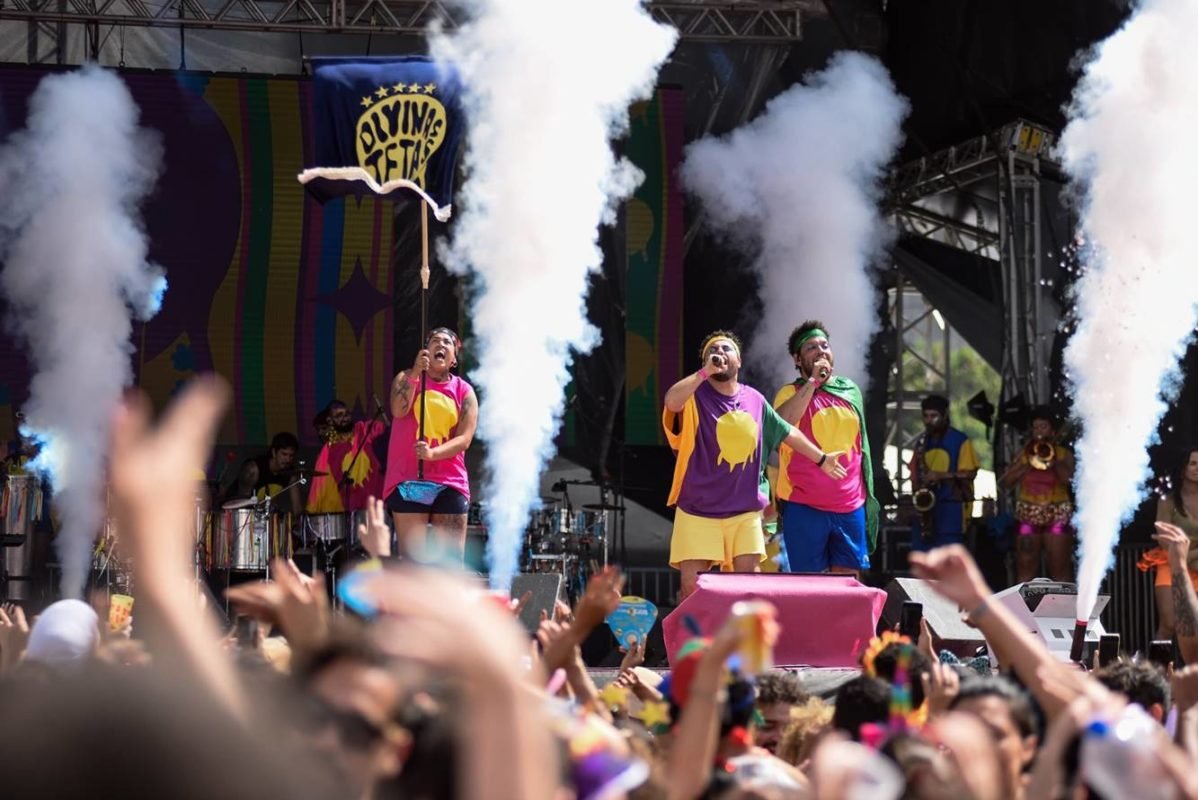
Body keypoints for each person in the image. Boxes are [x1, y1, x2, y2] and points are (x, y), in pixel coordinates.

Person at [663, 330, 847, 600]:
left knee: (750, 585)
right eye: (713, 351)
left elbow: (787, 431)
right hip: (697, 508)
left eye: (727, 349)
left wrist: (821, 458)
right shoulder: (695, 395)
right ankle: (698, 642)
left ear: (739, 360)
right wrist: (704, 372)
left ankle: (747, 641)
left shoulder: (754, 400)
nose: (720, 354)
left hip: (744, 510)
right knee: (693, 587)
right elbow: (671, 401)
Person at [772, 321, 880, 577]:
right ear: (797, 359)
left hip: (850, 504)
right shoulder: (790, 392)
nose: (820, 351)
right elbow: (780, 427)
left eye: (825, 345)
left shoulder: (849, 390)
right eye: (811, 347)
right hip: (805, 505)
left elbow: (860, 447)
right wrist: (812, 383)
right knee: (811, 586)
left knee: (848, 582)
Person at [383, 328, 477, 560]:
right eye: (435, 341)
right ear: (425, 350)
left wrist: (432, 454)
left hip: (449, 481)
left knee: (451, 563)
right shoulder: (406, 378)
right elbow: (398, 409)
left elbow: (464, 439)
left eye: (447, 342)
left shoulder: (464, 392)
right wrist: (416, 372)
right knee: (412, 561)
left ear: (454, 358)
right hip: (409, 478)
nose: (441, 344)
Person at [1000, 406, 1074, 582]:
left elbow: (1068, 480)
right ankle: (1024, 608)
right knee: (1025, 568)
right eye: (1036, 427)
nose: (1039, 431)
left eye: (1043, 427)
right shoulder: (1024, 453)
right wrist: (1028, 461)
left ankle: (1063, 609)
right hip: (1028, 514)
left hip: (1058, 513)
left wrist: (1053, 459)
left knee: (1059, 570)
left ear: (1053, 430)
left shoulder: (1064, 455)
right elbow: (1006, 483)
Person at [1138, 447, 1198, 639]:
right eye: (1193, 463)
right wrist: (1186, 558)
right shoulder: (1168, 500)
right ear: (1183, 468)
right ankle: (1155, 668)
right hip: (1171, 562)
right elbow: (1164, 540)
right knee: (1169, 624)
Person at [908, 394, 979, 550]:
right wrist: (917, 489)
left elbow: (970, 473)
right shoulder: (922, 443)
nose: (929, 420)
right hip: (927, 512)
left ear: (945, 415)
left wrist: (941, 475)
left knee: (950, 559)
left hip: (951, 508)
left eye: (934, 416)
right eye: (925, 416)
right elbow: (914, 473)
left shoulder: (960, 440)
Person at [305, 400, 387, 514]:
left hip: (375, 506)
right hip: (346, 510)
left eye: (347, 414)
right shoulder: (329, 449)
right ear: (330, 420)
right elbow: (321, 484)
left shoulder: (365, 430)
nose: (345, 418)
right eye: (339, 415)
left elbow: (385, 431)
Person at [226, 432, 303, 516]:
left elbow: (297, 508)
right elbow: (241, 503)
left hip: (264, 518)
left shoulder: (291, 474)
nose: (288, 460)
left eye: (291, 456)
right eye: (284, 454)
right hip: (235, 515)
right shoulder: (254, 469)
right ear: (274, 452)